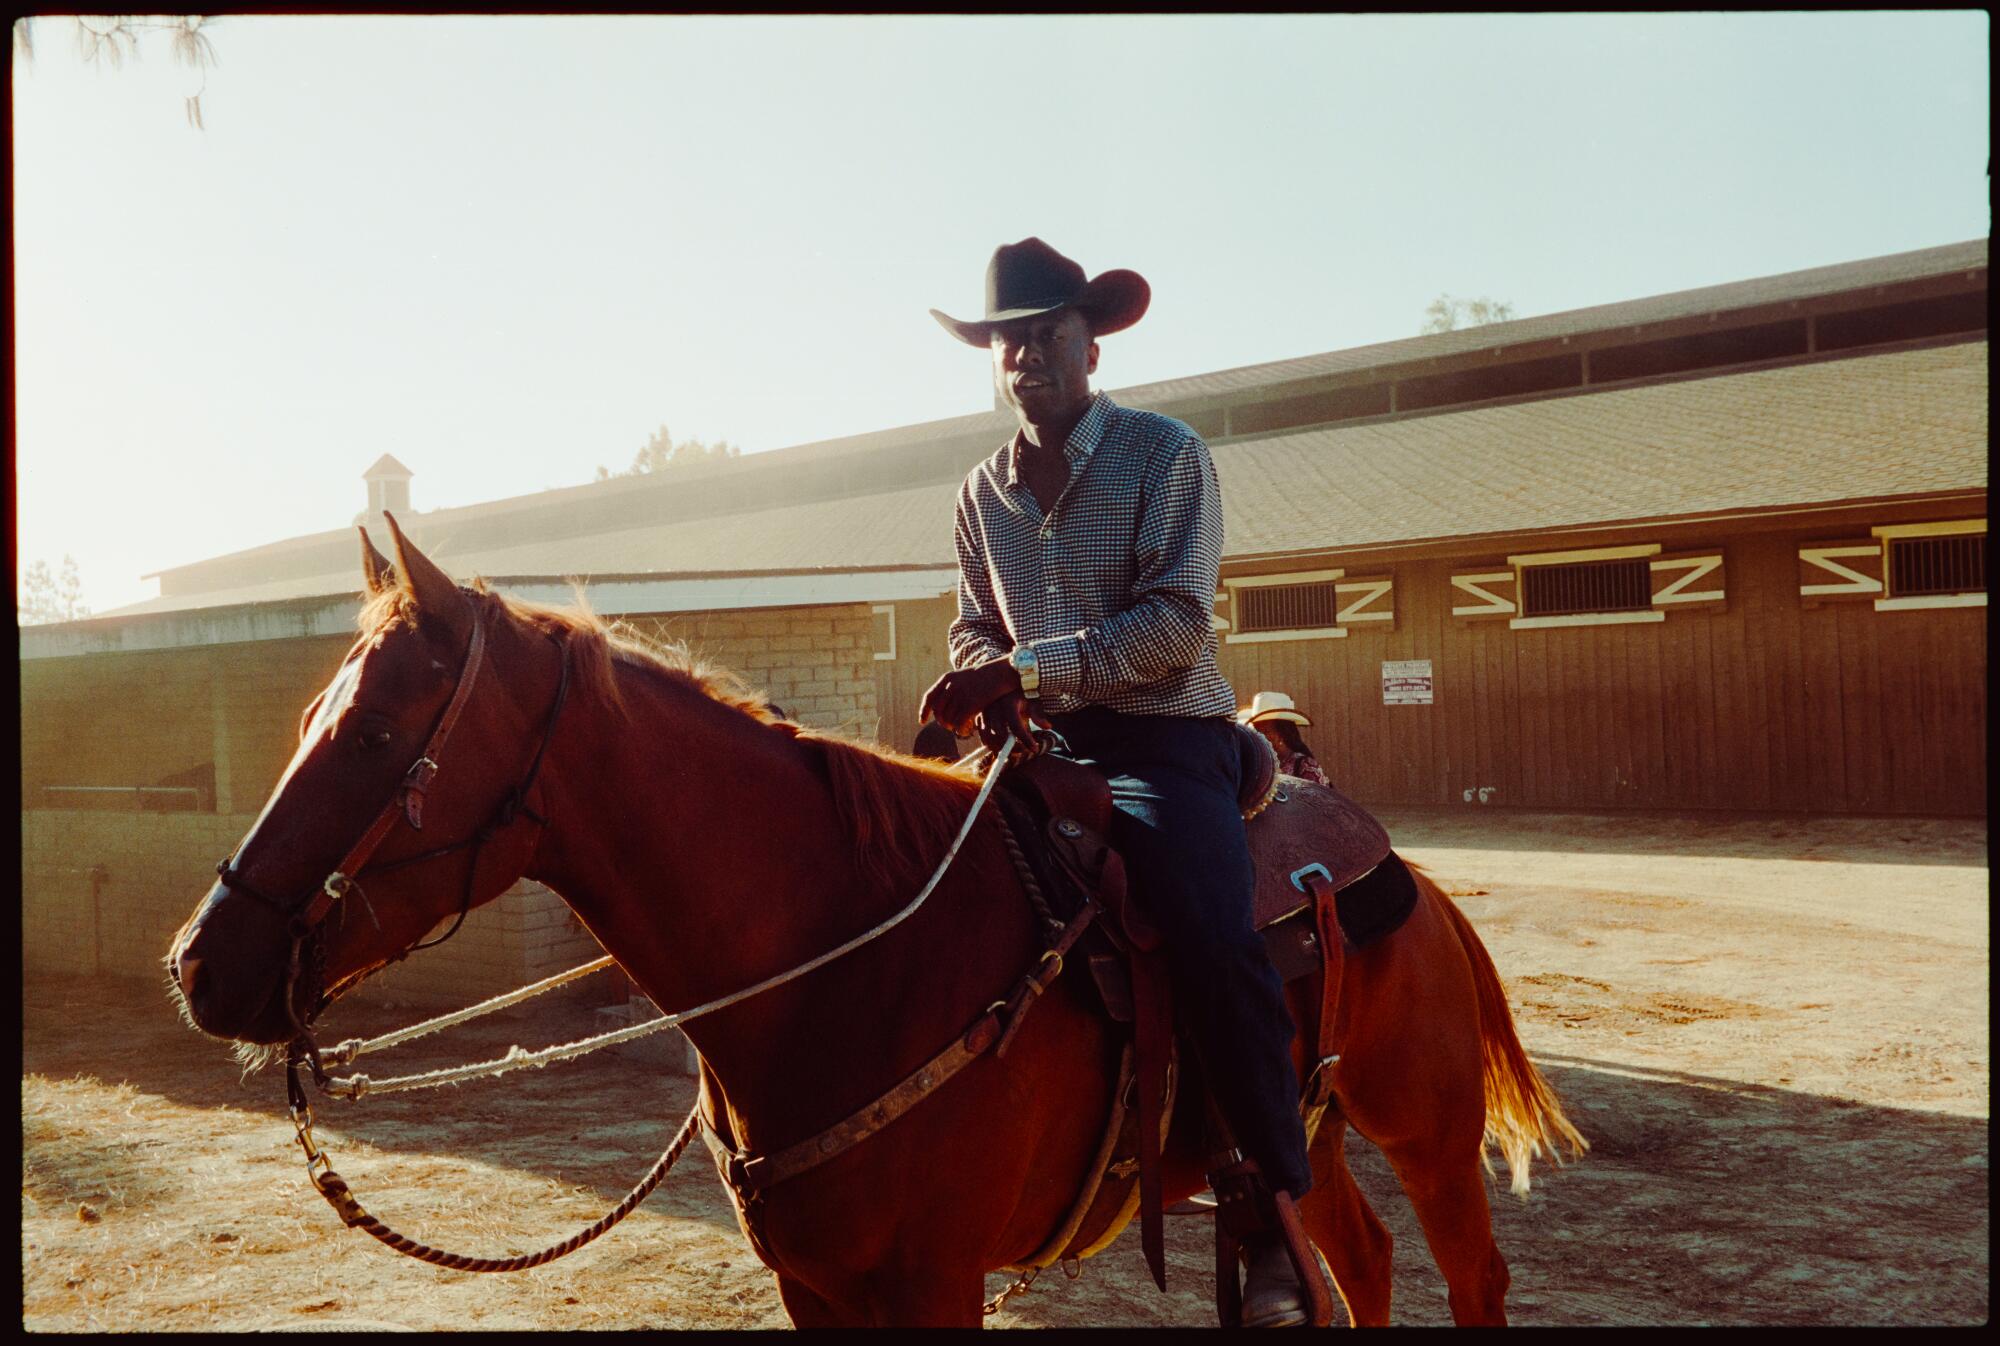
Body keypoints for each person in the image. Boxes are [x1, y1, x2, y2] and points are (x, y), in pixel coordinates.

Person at [917, 238, 1314, 1327]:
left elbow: (1178, 623)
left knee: (1202, 922)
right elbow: (972, 622)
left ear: (1089, 340)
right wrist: (971, 678)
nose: (1022, 355)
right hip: (1035, 749)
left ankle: (1267, 1207)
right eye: (1005, 338)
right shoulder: (977, 492)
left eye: (1043, 332)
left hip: (1159, 741)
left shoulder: (1162, 455)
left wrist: (1031, 668)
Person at [1239, 691, 1331, 787]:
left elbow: (1320, 800)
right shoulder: (1258, 767)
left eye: (1266, 731)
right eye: (1257, 731)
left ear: (1282, 733)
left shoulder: (1305, 766)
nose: (1260, 736)